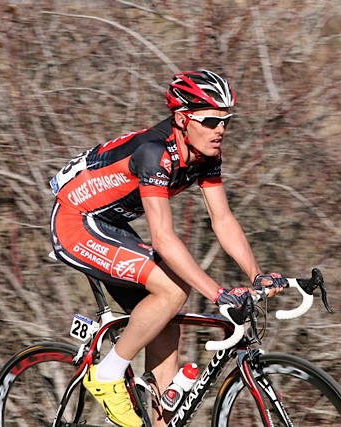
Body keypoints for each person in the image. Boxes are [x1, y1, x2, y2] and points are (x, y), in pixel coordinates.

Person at [49, 69, 286, 427]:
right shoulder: (154, 153)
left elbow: (222, 219)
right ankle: (107, 375)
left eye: (226, 121)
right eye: (211, 121)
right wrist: (218, 293)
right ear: (182, 119)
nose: (220, 129)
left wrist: (256, 274)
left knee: (167, 323)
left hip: (110, 223)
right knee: (174, 289)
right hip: (76, 221)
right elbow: (162, 237)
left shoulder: (206, 155)